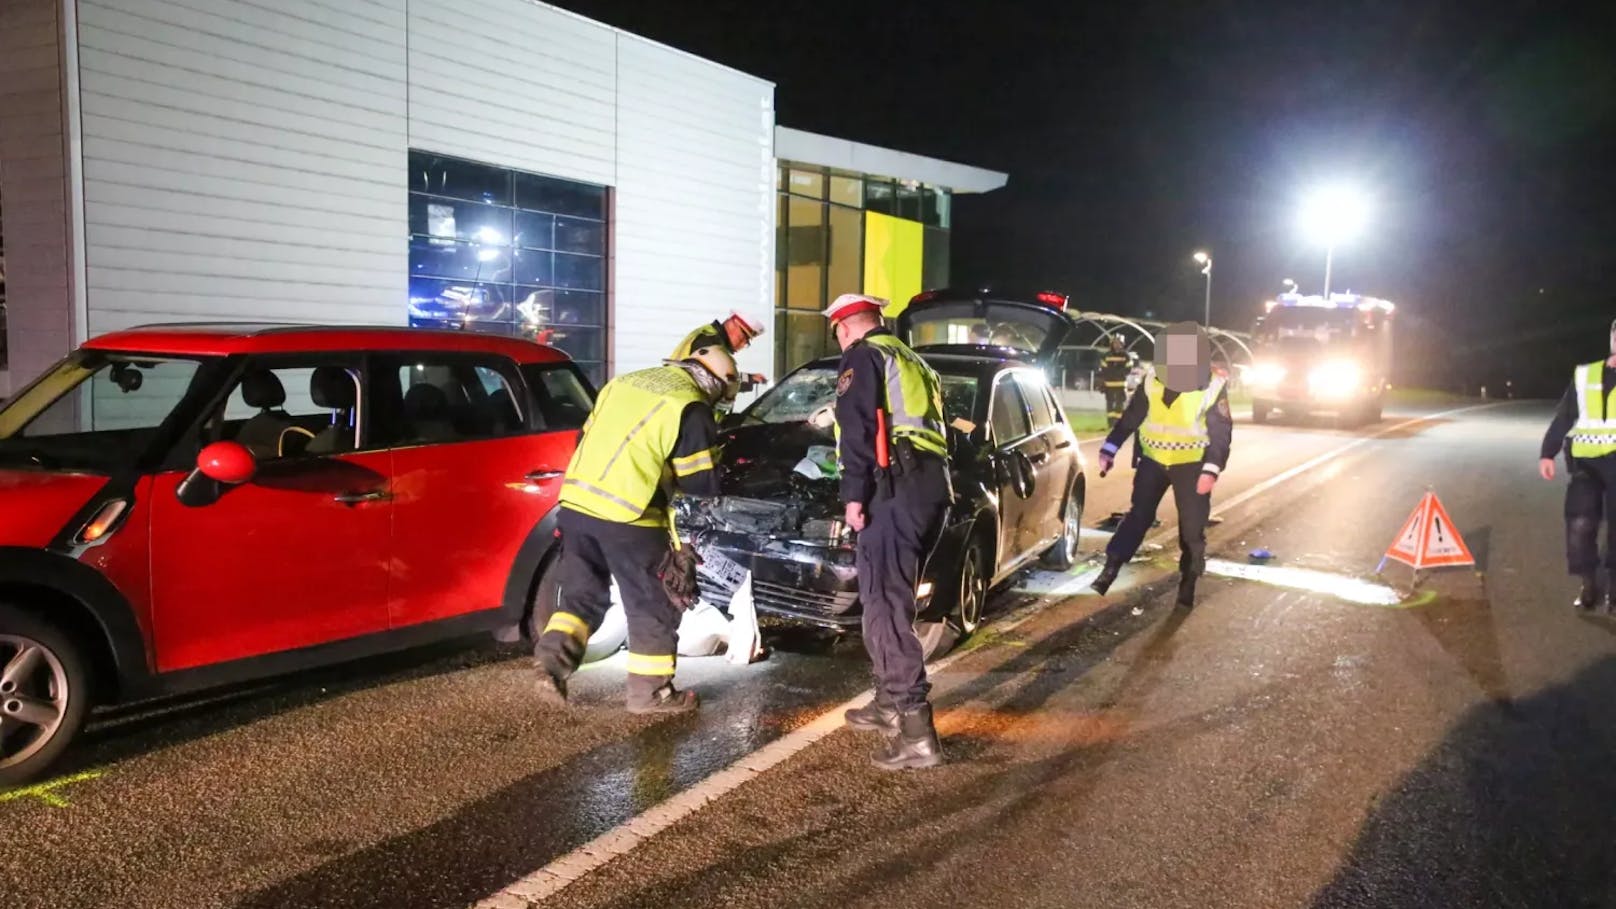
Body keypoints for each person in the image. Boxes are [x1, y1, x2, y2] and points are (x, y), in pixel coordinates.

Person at [533, 346, 736, 713]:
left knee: (581, 595)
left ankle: (551, 664)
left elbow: (586, 438)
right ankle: (650, 694)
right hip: (630, 514)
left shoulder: (623, 384)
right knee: (651, 603)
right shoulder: (690, 407)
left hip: (576, 503)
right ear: (714, 383)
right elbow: (698, 482)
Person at [823, 292, 954, 770]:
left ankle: (917, 733)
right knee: (887, 600)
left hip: (891, 489)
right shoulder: (914, 361)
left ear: (844, 328)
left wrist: (853, 496)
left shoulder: (864, 356)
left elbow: (857, 426)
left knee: (884, 607)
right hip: (929, 488)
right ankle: (887, 704)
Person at [1091, 322, 1232, 608]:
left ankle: (1189, 579)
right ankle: (1112, 566)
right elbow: (1133, 415)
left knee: (1191, 528)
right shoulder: (1151, 379)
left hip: (1192, 465)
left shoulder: (1213, 385)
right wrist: (1111, 446)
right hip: (1153, 461)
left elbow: (1221, 432)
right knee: (1138, 516)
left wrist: (1211, 469)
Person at [1540, 318, 1616, 611]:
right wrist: (1548, 452)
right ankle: (1588, 582)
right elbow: (1565, 415)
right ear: (1611, 337)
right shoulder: (1586, 375)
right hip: (1587, 463)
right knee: (1580, 524)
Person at [671, 311, 768, 395]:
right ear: (732, 324)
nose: (743, 344)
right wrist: (749, 379)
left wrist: (750, 378)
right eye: (744, 336)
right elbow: (719, 380)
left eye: (747, 342)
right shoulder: (711, 344)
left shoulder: (708, 334)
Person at [1098, 334, 1133, 428]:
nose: (1117, 345)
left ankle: (1117, 423)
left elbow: (1128, 369)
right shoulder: (1106, 356)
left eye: (1119, 343)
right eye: (1115, 343)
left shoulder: (1126, 356)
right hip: (1109, 385)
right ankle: (1110, 424)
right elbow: (1103, 369)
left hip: (1121, 385)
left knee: (1119, 405)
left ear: (1122, 344)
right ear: (1111, 344)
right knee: (1110, 405)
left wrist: (1115, 373)